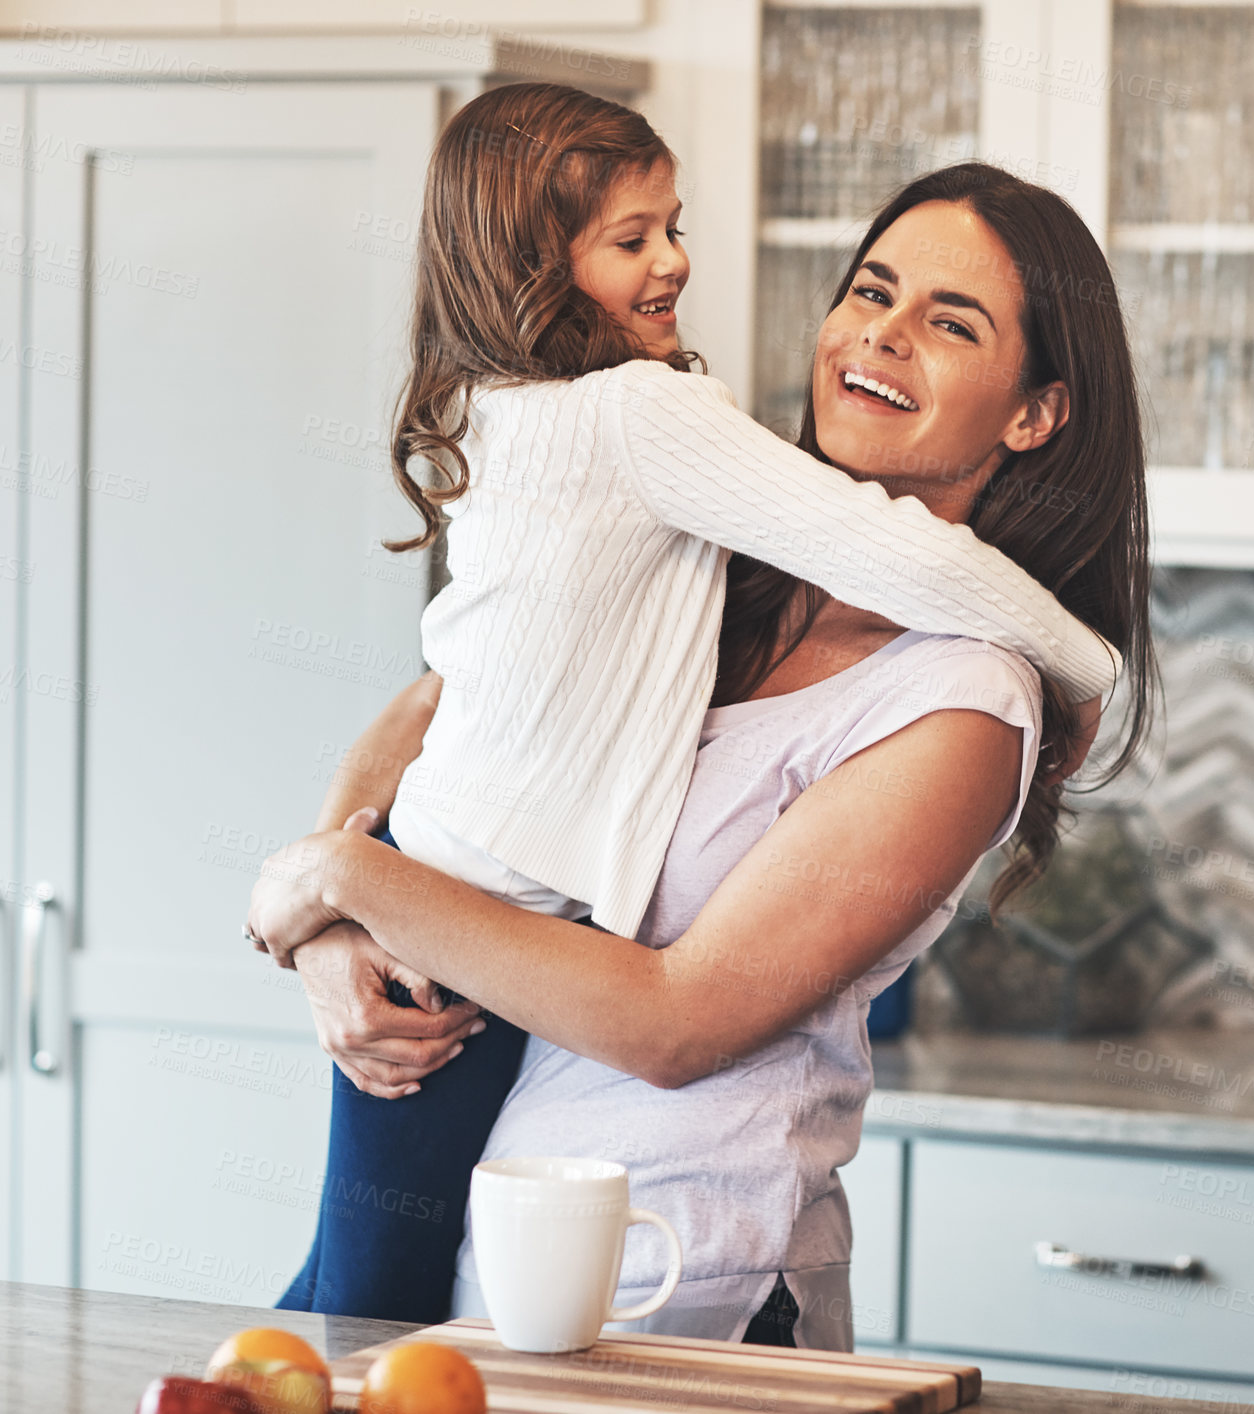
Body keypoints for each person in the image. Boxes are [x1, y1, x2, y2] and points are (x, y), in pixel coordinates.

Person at [246, 83, 1116, 1322]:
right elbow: (446, 699)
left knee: (324, 1340)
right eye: (870, 292)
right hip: (501, 1262)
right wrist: (337, 909)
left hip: (681, 1282)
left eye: (951, 323)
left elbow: (676, 1026)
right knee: (305, 1349)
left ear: (1034, 412)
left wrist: (344, 881)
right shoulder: (722, 562)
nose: (879, 334)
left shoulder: (961, 702)